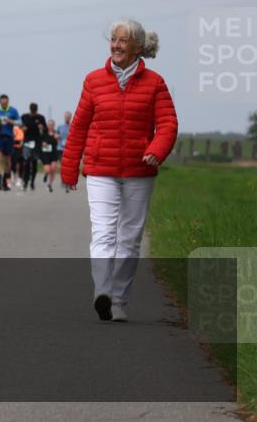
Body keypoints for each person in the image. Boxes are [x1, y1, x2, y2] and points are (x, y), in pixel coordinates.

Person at [61, 19, 178, 322]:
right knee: (103, 231)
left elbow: (167, 124)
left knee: (130, 237)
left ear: (138, 47)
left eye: (123, 41)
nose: (116, 45)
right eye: (113, 40)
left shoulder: (155, 83)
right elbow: (80, 126)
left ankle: (120, 301)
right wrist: (69, 168)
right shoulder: (94, 81)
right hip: (101, 168)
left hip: (139, 171)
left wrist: (156, 150)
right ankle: (102, 292)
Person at [0, 94, 19, 191]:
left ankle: (5, 181)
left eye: (6, 102)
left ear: (8, 102)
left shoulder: (13, 110)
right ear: (0, 102)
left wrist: (10, 121)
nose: (4, 103)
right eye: (2, 101)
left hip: (9, 137)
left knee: (7, 161)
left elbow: (19, 123)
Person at [20, 102, 47, 190]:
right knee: (26, 161)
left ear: (36, 110)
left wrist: (42, 128)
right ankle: (25, 181)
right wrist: (23, 129)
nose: (33, 111)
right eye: (32, 110)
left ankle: (32, 182)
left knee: (34, 162)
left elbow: (45, 129)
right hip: (27, 141)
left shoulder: (40, 118)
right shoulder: (24, 117)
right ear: (30, 109)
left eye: (34, 110)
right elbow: (19, 127)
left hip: (37, 142)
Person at [41, 120, 60, 192]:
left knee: (53, 168)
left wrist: (57, 137)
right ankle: (46, 174)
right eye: (49, 125)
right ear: (47, 126)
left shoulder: (56, 133)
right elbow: (41, 141)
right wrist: (43, 143)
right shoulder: (44, 133)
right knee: (48, 169)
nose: (51, 126)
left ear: (54, 125)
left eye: (52, 125)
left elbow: (58, 139)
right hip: (46, 154)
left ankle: (50, 184)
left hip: (54, 153)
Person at [58, 111, 72, 192]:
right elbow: (56, 135)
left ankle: (68, 182)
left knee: (69, 166)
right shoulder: (60, 127)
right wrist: (57, 136)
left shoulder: (72, 126)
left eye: (68, 117)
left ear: (70, 117)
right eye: (65, 116)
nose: (67, 118)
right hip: (60, 149)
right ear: (64, 117)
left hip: (69, 149)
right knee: (63, 166)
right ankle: (64, 181)